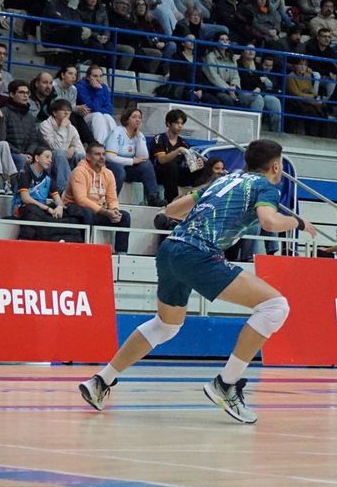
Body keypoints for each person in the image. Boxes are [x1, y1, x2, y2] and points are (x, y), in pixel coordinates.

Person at [78, 139, 316, 423]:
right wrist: (298, 223)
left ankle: (101, 381)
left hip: (171, 248)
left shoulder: (222, 180)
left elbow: (171, 209)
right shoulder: (265, 187)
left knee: (165, 325)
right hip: (199, 254)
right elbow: (270, 222)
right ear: (276, 166)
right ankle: (226, 384)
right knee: (276, 306)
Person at [64, 143, 131, 254]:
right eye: (97, 154)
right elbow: (81, 200)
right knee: (87, 212)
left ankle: (121, 254)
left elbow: (112, 198)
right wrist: (105, 212)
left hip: (97, 210)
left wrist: (114, 210)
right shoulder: (79, 171)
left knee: (124, 216)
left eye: (103, 154)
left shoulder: (108, 173)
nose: (102, 157)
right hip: (73, 208)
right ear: (88, 156)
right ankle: (84, 250)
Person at [103, 106, 163, 206]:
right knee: (120, 171)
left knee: (147, 164)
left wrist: (138, 136)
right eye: (134, 117)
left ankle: (153, 198)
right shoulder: (117, 132)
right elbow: (109, 157)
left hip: (127, 168)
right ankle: (110, 201)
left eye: (140, 117)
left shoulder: (140, 135)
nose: (138, 120)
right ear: (126, 120)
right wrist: (131, 161)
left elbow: (144, 157)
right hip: (110, 165)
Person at [11, 145, 74, 241]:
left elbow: (57, 198)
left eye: (51, 158)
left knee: (69, 215)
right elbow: (25, 198)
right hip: (23, 209)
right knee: (33, 211)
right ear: (37, 158)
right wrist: (47, 208)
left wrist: (59, 207)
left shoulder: (48, 177)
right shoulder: (24, 173)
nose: (50, 160)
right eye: (47, 157)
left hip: (41, 210)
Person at [151, 108, 194, 202]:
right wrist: (177, 151)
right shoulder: (159, 138)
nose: (180, 126)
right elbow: (161, 160)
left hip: (178, 173)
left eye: (182, 123)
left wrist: (197, 164)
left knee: (201, 169)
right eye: (177, 123)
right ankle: (171, 201)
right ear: (168, 123)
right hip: (160, 172)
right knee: (171, 166)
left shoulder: (184, 142)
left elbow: (191, 164)